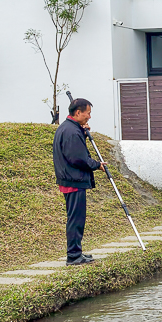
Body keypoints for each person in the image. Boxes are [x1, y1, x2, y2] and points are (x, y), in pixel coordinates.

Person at [52, 97, 105, 266]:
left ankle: (76, 252)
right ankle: (74, 256)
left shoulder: (69, 129)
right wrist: (97, 165)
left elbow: (73, 150)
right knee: (76, 219)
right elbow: (78, 158)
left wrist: (83, 133)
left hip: (70, 179)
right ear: (78, 112)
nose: (89, 116)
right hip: (73, 180)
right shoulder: (71, 132)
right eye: (87, 113)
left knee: (76, 218)